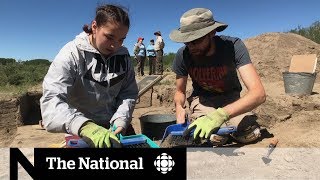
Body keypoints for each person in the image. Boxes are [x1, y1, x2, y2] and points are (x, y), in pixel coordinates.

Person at [40, 4, 138, 148]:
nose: (115, 46)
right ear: (94, 26)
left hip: (116, 127)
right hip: (80, 129)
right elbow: (51, 101)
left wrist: (122, 118)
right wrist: (84, 125)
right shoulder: (72, 54)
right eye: (109, 37)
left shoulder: (123, 55)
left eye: (121, 39)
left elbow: (128, 92)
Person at [169, 8, 266, 145]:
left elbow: (259, 94)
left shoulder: (233, 47)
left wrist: (220, 115)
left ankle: (230, 125)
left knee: (250, 134)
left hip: (231, 99)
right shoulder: (183, 54)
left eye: (196, 40)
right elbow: (180, 91)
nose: (191, 46)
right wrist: (179, 109)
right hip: (203, 101)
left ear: (212, 33)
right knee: (212, 137)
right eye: (186, 41)